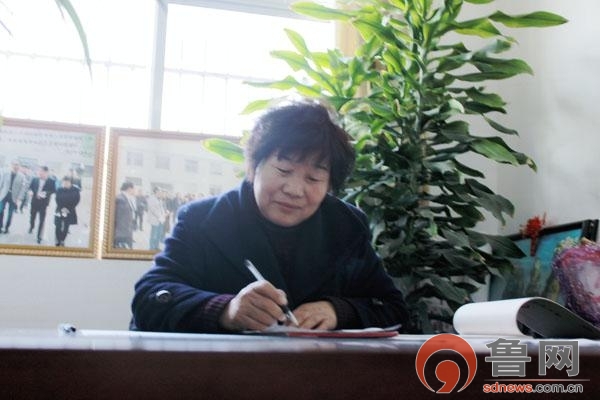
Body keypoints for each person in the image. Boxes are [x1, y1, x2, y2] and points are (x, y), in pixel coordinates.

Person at [130, 99, 408, 333]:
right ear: (253, 167)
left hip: (317, 374)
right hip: (221, 373)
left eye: (313, 178)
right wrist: (225, 310)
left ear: (330, 186)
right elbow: (149, 298)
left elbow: (393, 308)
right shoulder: (203, 219)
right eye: (284, 170)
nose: (294, 190)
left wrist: (339, 310)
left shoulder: (346, 226)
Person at [28, 165, 57, 244]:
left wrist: (46, 193)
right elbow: (30, 188)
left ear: (46, 172)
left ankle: (39, 236)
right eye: (39, 171)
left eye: (42, 171)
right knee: (32, 216)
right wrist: (30, 192)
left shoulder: (51, 181)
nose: (40, 173)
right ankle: (31, 226)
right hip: (34, 201)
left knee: (42, 220)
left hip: (44, 203)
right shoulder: (35, 179)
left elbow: (53, 190)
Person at [0, 160, 28, 234]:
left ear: (19, 166)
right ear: (12, 165)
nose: (16, 166)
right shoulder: (5, 173)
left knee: (10, 214)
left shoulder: (22, 176)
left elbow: (23, 188)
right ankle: (0, 226)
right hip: (4, 195)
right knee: (0, 210)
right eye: (14, 164)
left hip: (14, 197)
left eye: (17, 165)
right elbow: (1, 183)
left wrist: (19, 198)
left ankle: (7, 228)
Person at [54, 176, 80, 246]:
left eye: (67, 183)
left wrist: (68, 209)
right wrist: (62, 208)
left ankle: (62, 239)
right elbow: (57, 199)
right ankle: (58, 239)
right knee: (58, 225)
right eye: (64, 183)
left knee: (66, 227)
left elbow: (77, 200)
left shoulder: (75, 190)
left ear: (70, 183)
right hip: (60, 209)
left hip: (70, 211)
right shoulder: (59, 189)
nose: (65, 184)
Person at [113, 181, 137, 249]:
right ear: (129, 189)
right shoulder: (120, 199)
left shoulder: (128, 198)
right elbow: (119, 218)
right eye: (134, 189)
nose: (135, 190)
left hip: (127, 230)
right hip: (122, 233)